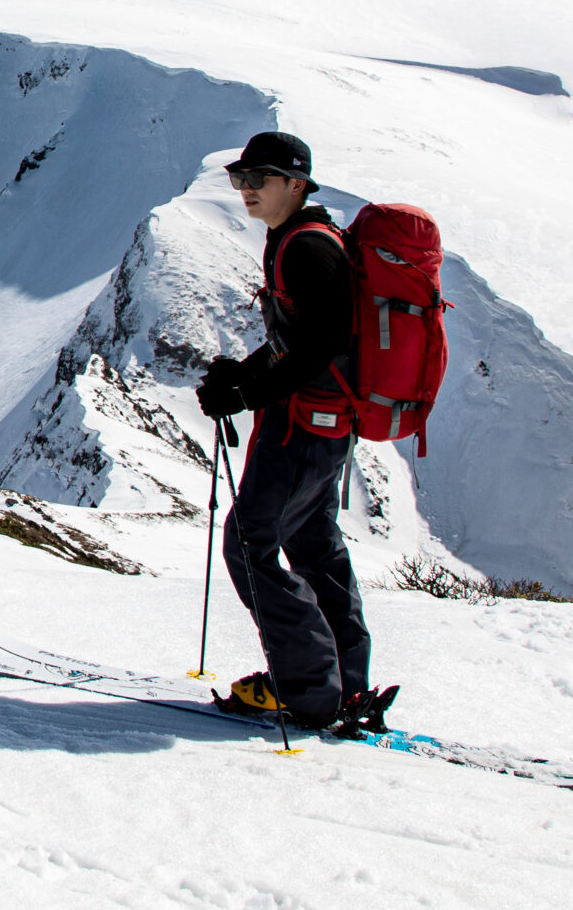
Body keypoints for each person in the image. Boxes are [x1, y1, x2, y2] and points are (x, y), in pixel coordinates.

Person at [196, 130, 385, 732]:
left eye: (260, 179)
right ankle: (342, 684)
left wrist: (250, 390)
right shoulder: (299, 239)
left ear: (296, 184)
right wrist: (240, 376)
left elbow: (321, 345)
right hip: (321, 422)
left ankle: (306, 692)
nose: (246, 190)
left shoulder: (306, 248)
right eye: (239, 179)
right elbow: (298, 341)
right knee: (310, 544)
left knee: (250, 544)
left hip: (302, 425)